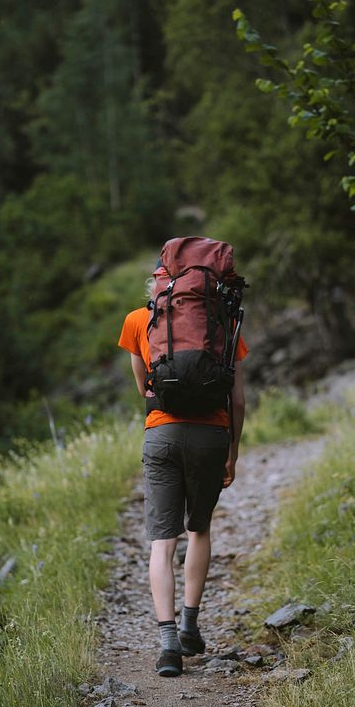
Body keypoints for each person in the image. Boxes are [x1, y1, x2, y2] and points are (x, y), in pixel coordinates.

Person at [118, 277, 247, 677]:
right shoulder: (222, 321)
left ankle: (168, 644)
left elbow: (144, 388)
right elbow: (238, 399)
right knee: (199, 530)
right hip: (212, 435)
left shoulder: (139, 320)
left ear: (156, 289)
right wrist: (233, 453)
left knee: (162, 541)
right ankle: (191, 625)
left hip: (162, 435)